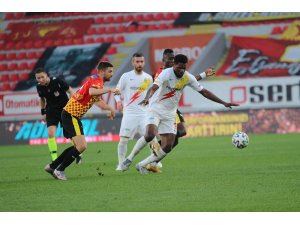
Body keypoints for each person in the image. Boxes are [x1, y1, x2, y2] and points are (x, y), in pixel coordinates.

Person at [122, 54, 239, 174]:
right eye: (179, 68)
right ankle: (129, 159)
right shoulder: (166, 73)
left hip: (170, 113)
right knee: (150, 134)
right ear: (174, 65)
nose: (181, 71)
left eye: (183, 68)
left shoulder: (187, 77)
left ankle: (142, 164)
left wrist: (223, 102)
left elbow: (204, 92)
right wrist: (147, 97)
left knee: (168, 146)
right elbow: (154, 86)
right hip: (155, 109)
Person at [44, 61, 119, 180]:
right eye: (110, 71)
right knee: (82, 146)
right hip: (71, 115)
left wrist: (110, 108)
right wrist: (110, 90)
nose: (112, 74)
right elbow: (92, 92)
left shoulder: (96, 81)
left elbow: (97, 101)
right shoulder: (97, 80)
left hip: (71, 115)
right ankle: (60, 170)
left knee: (77, 146)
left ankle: (52, 166)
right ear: (101, 72)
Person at [147, 49, 216, 173]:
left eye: (173, 59)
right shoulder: (162, 73)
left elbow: (188, 80)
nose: (172, 61)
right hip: (160, 107)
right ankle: (155, 150)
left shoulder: (178, 72)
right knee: (177, 133)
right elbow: (157, 87)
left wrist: (204, 74)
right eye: (169, 59)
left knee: (180, 134)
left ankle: (155, 157)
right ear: (164, 60)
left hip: (172, 107)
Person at [114, 52, 153, 170]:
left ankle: (155, 161)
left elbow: (151, 94)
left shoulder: (148, 78)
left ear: (144, 62)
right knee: (123, 140)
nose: (140, 64)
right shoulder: (126, 76)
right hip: (130, 113)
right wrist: (118, 101)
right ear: (133, 63)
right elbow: (117, 90)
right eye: (137, 61)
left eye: (141, 61)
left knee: (151, 137)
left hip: (144, 113)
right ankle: (121, 164)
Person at [35, 68, 81, 163]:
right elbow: (42, 99)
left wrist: (73, 105)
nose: (40, 80)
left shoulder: (57, 81)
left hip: (64, 110)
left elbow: (71, 91)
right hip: (51, 111)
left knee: (70, 135)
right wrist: (43, 112)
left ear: (47, 75)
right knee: (50, 134)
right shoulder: (39, 87)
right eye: (38, 78)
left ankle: (77, 153)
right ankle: (54, 158)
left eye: (42, 77)